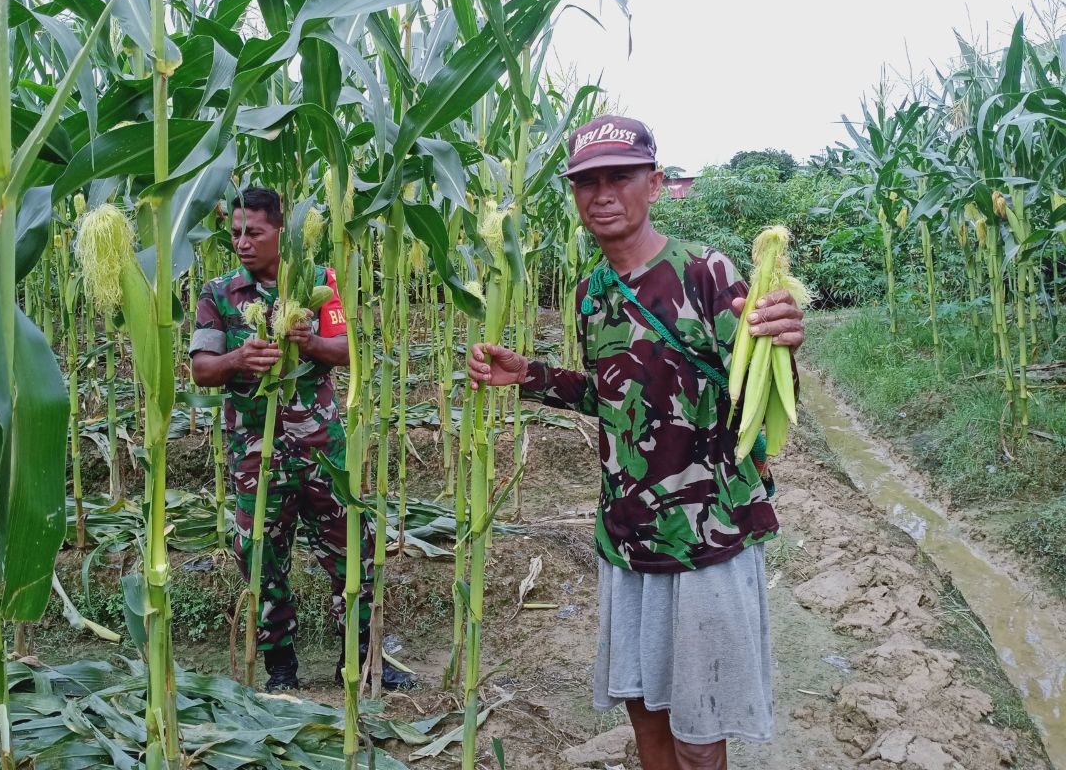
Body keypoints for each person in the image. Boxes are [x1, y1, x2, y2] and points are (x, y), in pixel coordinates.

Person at [466, 117, 805, 770]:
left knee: (699, 735)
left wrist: (785, 341)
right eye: (586, 182)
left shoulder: (706, 273)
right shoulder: (592, 295)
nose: (601, 194)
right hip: (628, 535)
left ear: (654, 184)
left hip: (708, 535)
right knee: (644, 712)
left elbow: (763, 388)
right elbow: (615, 396)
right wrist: (530, 376)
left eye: (619, 176)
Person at [190, 186, 413, 693]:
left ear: (280, 231)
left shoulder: (321, 282)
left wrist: (310, 343)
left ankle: (360, 659)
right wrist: (237, 361)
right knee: (262, 560)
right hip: (255, 454)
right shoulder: (219, 293)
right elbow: (202, 369)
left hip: (322, 449)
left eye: (255, 232)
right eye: (235, 234)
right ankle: (280, 670)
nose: (243, 242)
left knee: (351, 552)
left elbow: (351, 350)